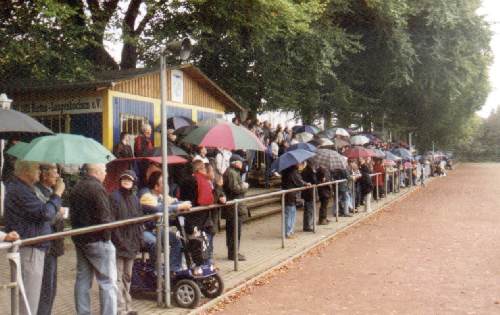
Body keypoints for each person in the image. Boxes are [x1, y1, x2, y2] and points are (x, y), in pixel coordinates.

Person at [5, 160, 65, 315]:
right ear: (26, 171)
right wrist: (57, 194)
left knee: (36, 295)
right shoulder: (20, 190)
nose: (40, 171)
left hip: (37, 246)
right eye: (37, 169)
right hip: (30, 247)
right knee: (30, 299)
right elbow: (45, 213)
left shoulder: (25, 188)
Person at [69, 163, 117, 315]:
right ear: (96, 172)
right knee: (107, 282)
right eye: (104, 170)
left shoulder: (76, 187)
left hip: (80, 240)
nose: (106, 173)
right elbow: (105, 216)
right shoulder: (97, 189)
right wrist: (107, 236)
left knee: (83, 280)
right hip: (98, 240)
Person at [139, 171, 192, 270]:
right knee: (155, 242)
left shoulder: (161, 195)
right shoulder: (147, 196)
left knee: (176, 239)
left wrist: (186, 203)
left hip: (157, 229)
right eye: (163, 183)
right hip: (144, 230)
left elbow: (174, 202)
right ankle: (156, 271)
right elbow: (158, 208)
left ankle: (173, 269)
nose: (166, 185)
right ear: (156, 186)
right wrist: (179, 206)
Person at [109, 170, 142, 315]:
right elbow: (112, 222)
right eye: (124, 179)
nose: (126, 181)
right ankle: (120, 308)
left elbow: (139, 221)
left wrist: (139, 239)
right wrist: (119, 241)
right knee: (117, 277)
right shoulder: (114, 197)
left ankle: (128, 306)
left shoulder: (135, 198)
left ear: (134, 182)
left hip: (132, 244)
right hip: (119, 244)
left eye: (129, 180)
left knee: (127, 276)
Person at [34, 164, 65, 315]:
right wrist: (59, 210)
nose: (57, 176)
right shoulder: (37, 191)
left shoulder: (50, 191)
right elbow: (46, 216)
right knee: (46, 286)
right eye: (54, 173)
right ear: (44, 175)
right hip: (45, 243)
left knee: (52, 286)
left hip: (54, 244)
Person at [223, 155, 249, 261]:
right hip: (234, 207)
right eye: (241, 162)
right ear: (235, 163)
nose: (242, 164)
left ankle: (233, 252)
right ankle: (233, 254)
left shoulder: (233, 172)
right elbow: (235, 189)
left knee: (233, 231)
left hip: (234, 207)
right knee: (234, 231)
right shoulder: (232, 173)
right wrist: (244, 186)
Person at [281, 161, 310, 238]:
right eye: (301, 163)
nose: (302, 165)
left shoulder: (290, 171)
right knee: (290, 213)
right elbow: (299, 181)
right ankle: (288, 232)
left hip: (291, 195)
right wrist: (305, 184)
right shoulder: (293, 172)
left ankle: (290, 231)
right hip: (290, 195)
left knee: (291, 213)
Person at [300, 162, 317, 231]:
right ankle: (308, 225)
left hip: (307, 193)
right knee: (309, 209)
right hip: (309, 193)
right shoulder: (310, 170)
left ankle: (308, 225)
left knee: (308, 209)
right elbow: (314, 181)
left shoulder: (305, 170)